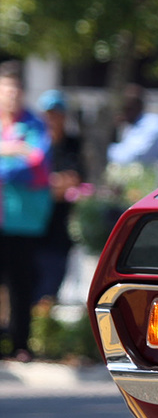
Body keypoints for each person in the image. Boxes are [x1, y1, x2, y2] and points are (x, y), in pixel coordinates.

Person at [0, 62, 53, 361]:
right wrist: (10, 150)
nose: (10, 96)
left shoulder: (34, 124)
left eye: (15, 90)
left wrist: (6, 156)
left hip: (22, 218)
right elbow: (21, 159)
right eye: (5, 90)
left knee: (20, 282)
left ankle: (21, 343)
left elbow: (35, 161)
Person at [34, 89, 82, 307]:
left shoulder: (73, 144)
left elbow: (75, 179)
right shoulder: (34, 143)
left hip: (59, 229)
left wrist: (44, 184)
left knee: (51, 288)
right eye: (48, 114)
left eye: (57, 114)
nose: (52, 119)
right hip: (32, 227)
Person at [106, 85, 158, 171]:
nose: (122, 114)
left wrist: (106, 148)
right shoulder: (130, 127)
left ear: (138, 107)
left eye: (127, 109)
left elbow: (132, 158)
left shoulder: (152, 124)